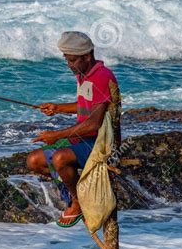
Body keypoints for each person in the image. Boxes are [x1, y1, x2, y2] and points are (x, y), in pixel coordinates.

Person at [27, 31, 121, 228]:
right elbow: (86, 104)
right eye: (67, 60)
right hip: (81, 140)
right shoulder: (84, 74)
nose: (70, 65)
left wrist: (57, 135)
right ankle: (76, 193)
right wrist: (58, 108)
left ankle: (78, 203)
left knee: (60, 158)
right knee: (34, 161)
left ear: (87, 56)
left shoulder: (101, 77)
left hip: (99, 144)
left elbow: (94, 123)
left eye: (73, 60)